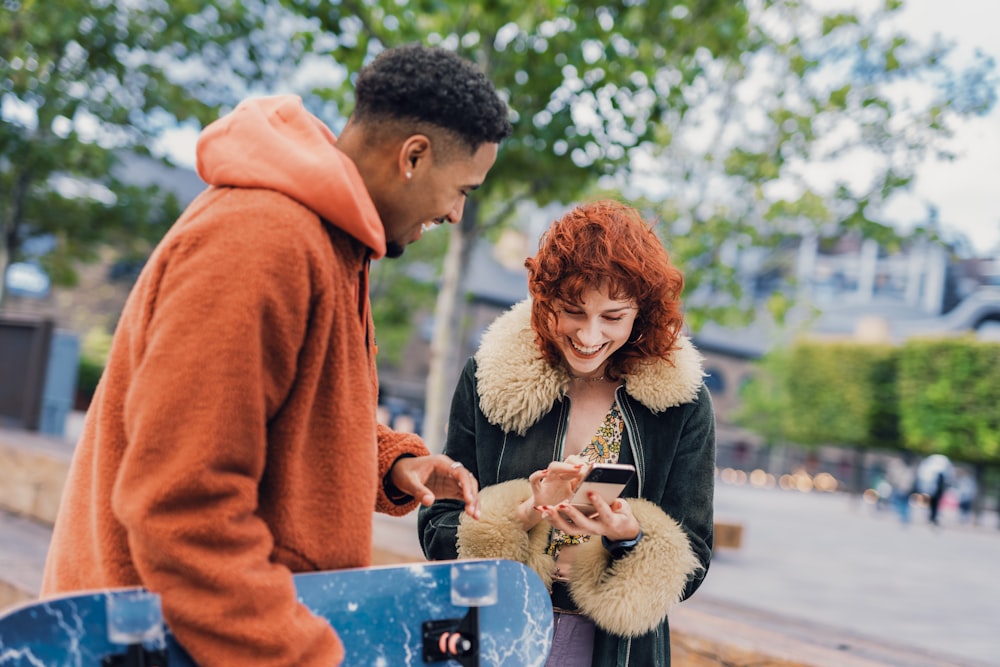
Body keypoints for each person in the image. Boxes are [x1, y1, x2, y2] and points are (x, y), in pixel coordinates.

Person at [41, 43, 511, 666]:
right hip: (157, 642)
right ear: (414, 156)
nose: (455, 212)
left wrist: (390, 463)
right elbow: (181, 507)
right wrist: (307, 655)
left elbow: (275, 420)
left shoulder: (332, 244)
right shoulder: (261, 241)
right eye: (462, 190)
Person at [418, 200, 716, 666]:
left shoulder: (682, 404)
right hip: (492, 636)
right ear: (544, 300)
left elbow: (693, 557)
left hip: (615, 651)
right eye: (573, 311)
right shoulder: (489, 377)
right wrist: (520, 515)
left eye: (613, 317)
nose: (589, 334)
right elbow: (438, 526)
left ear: (642, 313)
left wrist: (630, 536)